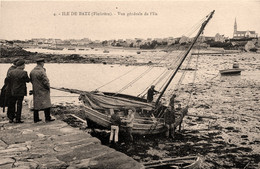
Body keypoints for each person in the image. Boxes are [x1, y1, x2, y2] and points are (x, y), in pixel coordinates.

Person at [30, 58, 55, 123]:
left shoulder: (32, 71)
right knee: (46, 104)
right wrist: (48, 87)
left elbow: (31, 80)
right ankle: (47, 117)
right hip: (43, 90)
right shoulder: (42, 71)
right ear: (42, 63)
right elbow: (45, 81)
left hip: (36, 89)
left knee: (36, 104)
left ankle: (36, 118)